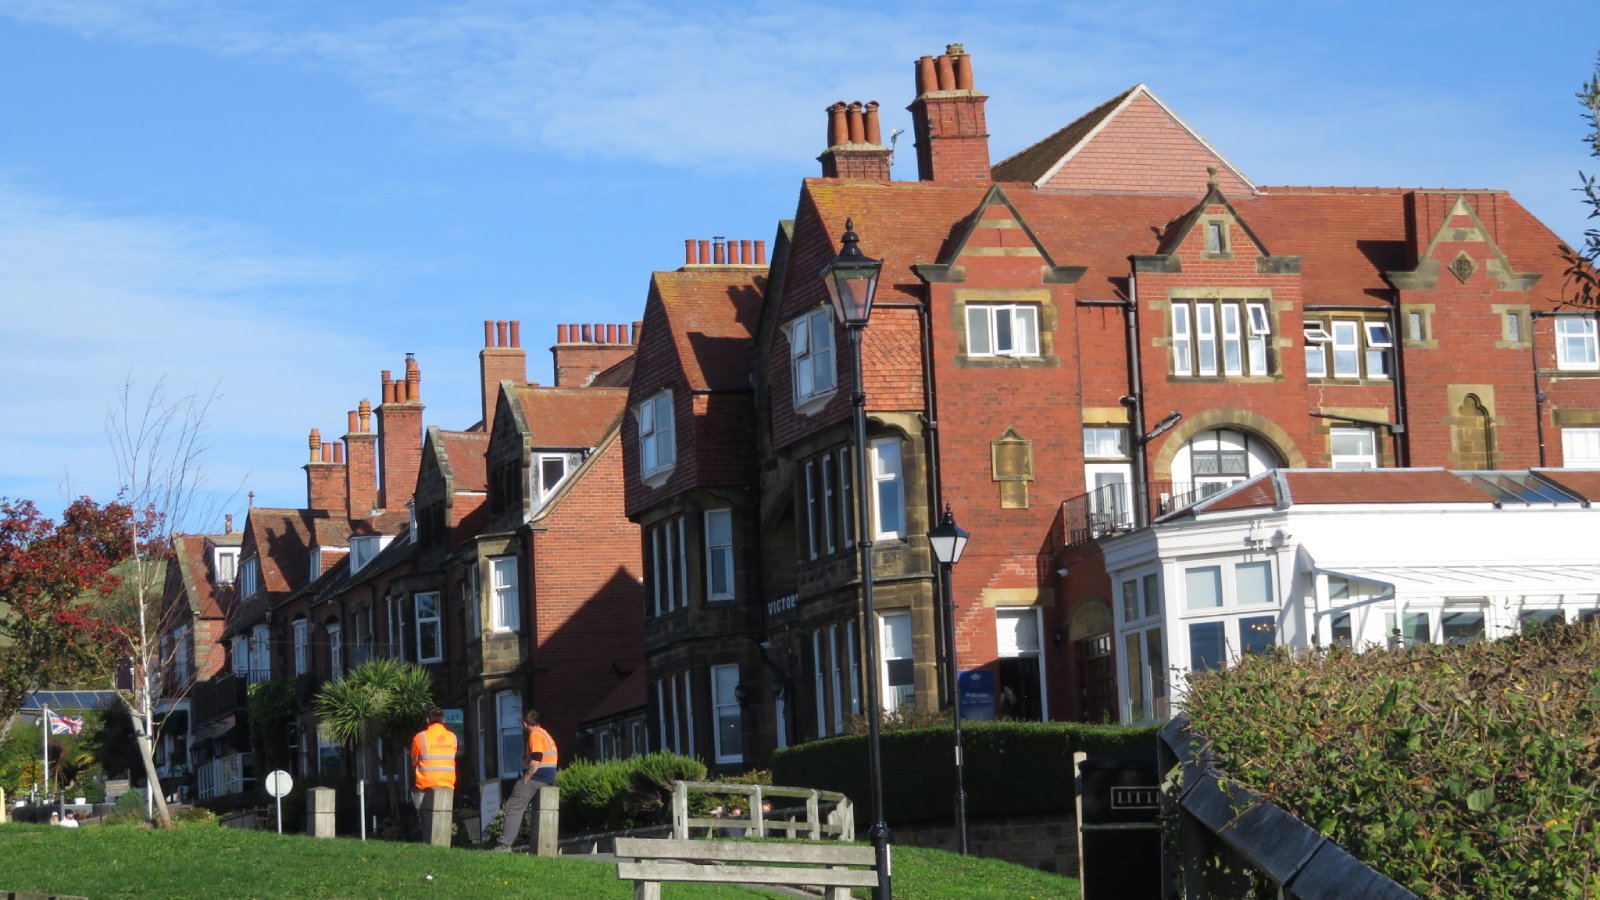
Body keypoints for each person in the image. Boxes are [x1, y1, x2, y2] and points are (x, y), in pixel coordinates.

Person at [492, 708, 558, 852]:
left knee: (512, 806)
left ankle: (504, 845)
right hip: (548, 776)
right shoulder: (544, 733)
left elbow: (537, 759)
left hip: (538, 775)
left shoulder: (535, 734)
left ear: (525, 724)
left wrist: (526, 778)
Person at [410, 706, 458, 829]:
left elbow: (414, 761)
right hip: (448, 782)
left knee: (421, 808)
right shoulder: (453, 737)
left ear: (427, 720)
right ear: (444, 720)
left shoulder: (419, 737)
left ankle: (423, 825)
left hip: (425, 783)